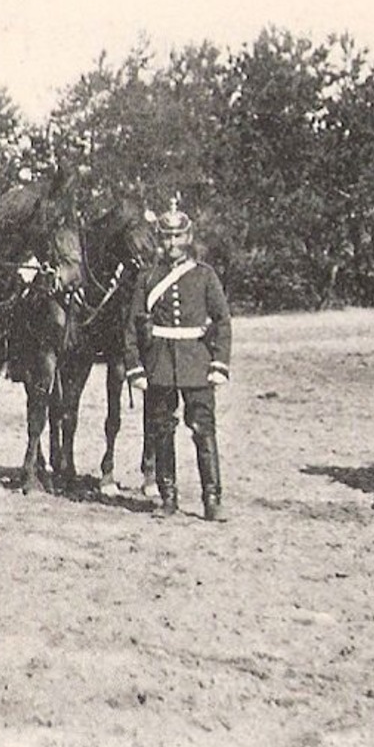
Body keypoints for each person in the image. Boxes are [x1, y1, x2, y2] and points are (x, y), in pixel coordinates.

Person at [124, 199, 232, 522]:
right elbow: (131, 326)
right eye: (166, 237)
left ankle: (212, 498)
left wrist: (219, 364)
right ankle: (167, 497)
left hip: (196, 363)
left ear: (188, 238)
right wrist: (135, 367)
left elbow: (223, 321)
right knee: (161, 431)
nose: (172, 244)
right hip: (159, 364)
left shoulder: (204, 275)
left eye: (177, 237)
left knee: (203, 429)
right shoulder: (146, 278)